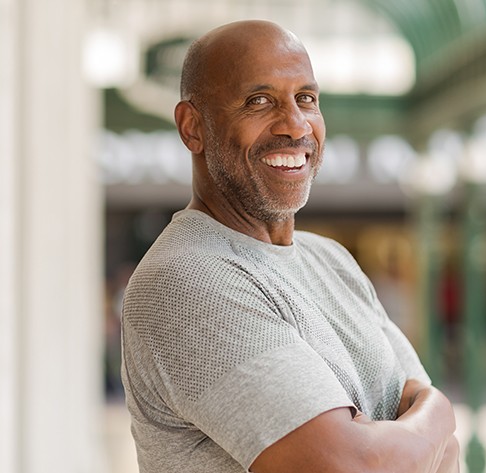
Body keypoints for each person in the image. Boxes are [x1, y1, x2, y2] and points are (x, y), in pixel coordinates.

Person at [121, 19, 459, 473]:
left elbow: (446, 456)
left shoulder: (332, 260)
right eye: (259, 101)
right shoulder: (185, 279)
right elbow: (349, 467)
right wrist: (434, 415)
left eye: (306, 99)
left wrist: (404, 437)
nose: (295, 125)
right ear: (192, 127)